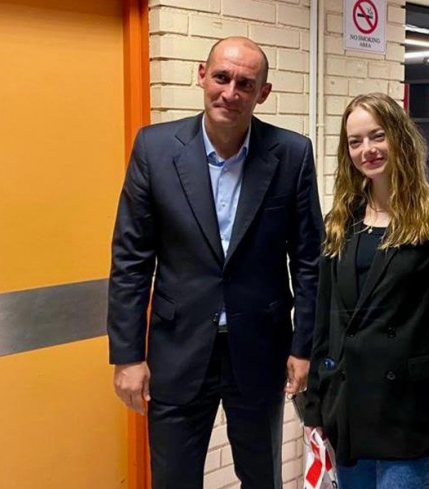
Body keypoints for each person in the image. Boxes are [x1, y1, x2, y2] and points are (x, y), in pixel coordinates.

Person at [107, 37, 323, 489]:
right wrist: (127, 356)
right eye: (222, 77)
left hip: (260, 348)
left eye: (246, 83)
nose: (231, 92)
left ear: (263, 92)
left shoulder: (291, 154)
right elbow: (131, 260)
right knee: (173, 479)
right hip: (177, 348)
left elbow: (308, 260)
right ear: (202, 76)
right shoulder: (154, 148)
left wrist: (304, 346)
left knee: (261, 478)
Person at [303, 93, 429, 489]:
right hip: (348, 408)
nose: (367, 150)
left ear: (399, 136)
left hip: (407, 410)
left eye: (377, 136)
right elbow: (326, 319)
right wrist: (314, 403)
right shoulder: (341, 221)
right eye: (355, 141)